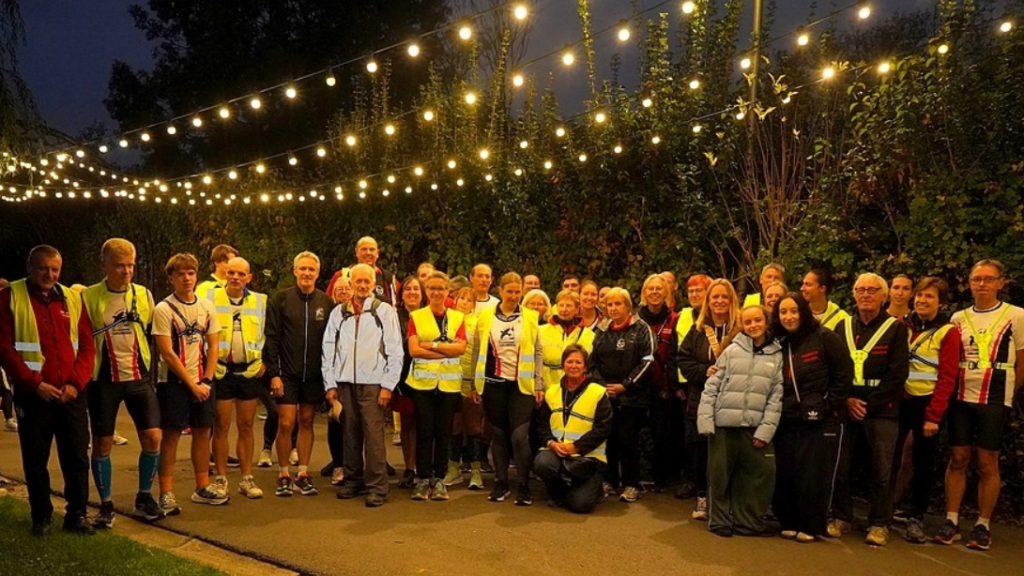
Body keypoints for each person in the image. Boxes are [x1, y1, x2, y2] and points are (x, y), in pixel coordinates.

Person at [0, 245, 96, 536]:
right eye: (43, 268)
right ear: (30, 266)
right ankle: (41, 516)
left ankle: (77, 515)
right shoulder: (9, 297)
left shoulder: (72, 299)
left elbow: (87, 346)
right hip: (35, 394)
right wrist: (33, 383)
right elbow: (4, 347)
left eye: (55, 269)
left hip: (70, 394)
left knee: (77, 458)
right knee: (35, 459)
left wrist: (76, 384)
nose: (50, 274)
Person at [938, 259, 1024, 550]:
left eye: (989, 279)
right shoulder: (958, 318)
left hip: (995, 397)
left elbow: (1022, 361)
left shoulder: (1017, 315)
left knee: (988, 461)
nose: (982, 284)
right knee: (958, 457)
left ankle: (982, 524)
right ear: (970, 283)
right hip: (961, 395)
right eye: (977, 279)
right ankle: (951, 520)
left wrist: (1008, 391)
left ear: (1001, 283)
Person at [81, 239, 164, 527]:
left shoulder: (143, 294)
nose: (126, 270)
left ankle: (144, 496)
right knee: (103, 443)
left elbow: (154, 331)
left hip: (138, 377)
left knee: (153, 437)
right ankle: (105, 505)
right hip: (103, 380)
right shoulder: (89, 297)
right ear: (104, 265)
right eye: (119, 265)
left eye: (131, 264)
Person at [829, 273, 909, 546]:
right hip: (846, 407)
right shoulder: (842, 327)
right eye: (860, 289)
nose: (866, 294)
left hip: (882, 409)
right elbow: (834, 370)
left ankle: (879, 523)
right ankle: (840, 517)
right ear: (853, 294)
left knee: (881, 470)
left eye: (872, 290)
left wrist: (869, 404)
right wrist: (848, 399)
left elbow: (898, 373)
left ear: (883, 296)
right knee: (840, 465)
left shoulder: (896, 328)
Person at [771, 293, 853, 543]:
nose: (788, 316)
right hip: (786, 418)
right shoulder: (778, 342)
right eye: (783, 312)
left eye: (793, 311)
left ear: (803, 312)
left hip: (819, 420)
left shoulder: (825, 337)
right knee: (786, 471)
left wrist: (829, 405)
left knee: (812, 474)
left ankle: (811, 524)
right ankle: (788, 520)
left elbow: (844, 373)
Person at [698, 305, 783, 537]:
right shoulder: (731, 351)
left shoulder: (777, 354)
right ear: (742, 326)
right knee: (719, 475)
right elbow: (712, 386)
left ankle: (749, 521)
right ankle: (720, 521)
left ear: (766, 322)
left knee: (762, 473)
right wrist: (706, 421)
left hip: (754, 427)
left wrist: (765, 431)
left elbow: (776, 396)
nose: (753, 325)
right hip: (722, 425)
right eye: (748, 322)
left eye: (758, 320)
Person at [324, 264, 404, 507]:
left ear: (372, 283)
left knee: (373, 435)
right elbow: (328, 348)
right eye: (357, 281)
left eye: (365, 281)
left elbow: (395, 350)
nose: (361, 285)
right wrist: (330, 383)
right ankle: (353, 480)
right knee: (350, 434)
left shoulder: (384, 311)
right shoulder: (339, 312)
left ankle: (378, 487)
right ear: (350, 284)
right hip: (345, 382)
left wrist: (388, 385)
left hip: (373, 383)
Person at [152, 252, 226, 513]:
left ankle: (202, 486)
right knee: (171, 435)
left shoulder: (206, 306)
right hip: (174, 382)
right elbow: (167, 353)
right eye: (180, 274)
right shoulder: (164, 309)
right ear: (171, 278)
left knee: (203, 432)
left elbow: (214, 344)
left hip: (203, 380)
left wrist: (206, 379)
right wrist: (191, 384)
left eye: (191, 273)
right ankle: (166, 492)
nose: (187, 278)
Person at [893, 277, 958, 543]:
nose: (922, 300)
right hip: (899, 402)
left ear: (941, 302)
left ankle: (916, 517)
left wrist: (934, 416)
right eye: (919, 296)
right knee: (891, 459)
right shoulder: (902, 326)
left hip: (927, 405)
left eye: (929, 297)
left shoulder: (948, 331)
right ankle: (884, 512)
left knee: (924, 464)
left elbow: (947, 377)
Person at [264, 251, 334, 497]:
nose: (306, 273)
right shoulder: (280, 299)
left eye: (311, 270)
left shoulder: (326, 303)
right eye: (302, 269)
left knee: (306, 421)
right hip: (287, 374)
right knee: (286, 422)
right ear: (295, 271)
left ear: (317, 273)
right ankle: (283, 473)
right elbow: (271, 338)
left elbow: (331, 342)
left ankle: (302, 473)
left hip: (314, 375)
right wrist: (274, 373)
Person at [472, 272, 544, 505]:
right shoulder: (484, 317)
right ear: (500, 291)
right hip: (493, 384)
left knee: (520, 436)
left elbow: (537, 352)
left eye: (517, 292)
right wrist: (475, 383)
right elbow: (477, 351)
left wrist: (539, 382)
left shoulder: (531, 317)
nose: (513, 296)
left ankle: (523, 485)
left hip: (521, 386)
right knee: (500, 435)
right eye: (509, 291)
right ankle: (501, 483)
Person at [678, 278, 742, 519]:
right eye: (715, 297)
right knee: (699, 451)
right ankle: (703, 497)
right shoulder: (697, 330)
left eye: (724, 296)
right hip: (700, 400)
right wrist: (704, 370)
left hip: (733, 399)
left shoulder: (741, 330)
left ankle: (726, 500)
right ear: (708, 301)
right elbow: (683, 361)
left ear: (732, 300)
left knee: (728, 451)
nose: (719, 301)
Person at [589, 287, 654, 504]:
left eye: (618, 304)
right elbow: (592, 362)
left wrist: (625, 386)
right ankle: (609, 481)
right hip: (605, 395)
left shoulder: (641, 329)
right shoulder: (601, 329)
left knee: (628, 440)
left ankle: (631, 484)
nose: (614, 308)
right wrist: (602, 386)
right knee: (608, 439)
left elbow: (647, 362)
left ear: (628, 306)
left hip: (631, 396)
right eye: (609, 304)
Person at [407, 271, 467, 501]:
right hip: (422, 383)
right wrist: (445, 349)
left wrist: (431, 345)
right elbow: (414, 350)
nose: (436, 292)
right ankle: (423, 478)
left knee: (443, 432)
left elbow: (461, 349)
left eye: (440, 288)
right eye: (431, 288)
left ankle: (439, 478)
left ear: (447, 291)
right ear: (426, 291)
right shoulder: (417, 316)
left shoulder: (457, 318)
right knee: (424, 431)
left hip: (449, 384)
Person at [211, 257, 266, 500]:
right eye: (231, 273)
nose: (235, 277)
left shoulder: (261, 301)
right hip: (221, 371)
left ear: (249, 277)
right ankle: (221, 479)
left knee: (246, 426)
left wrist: (266, 362)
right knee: (221, 426)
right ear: (224, 274)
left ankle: (246, 478)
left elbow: (269, 334)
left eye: (241, 274)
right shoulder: (210, 300)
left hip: (249, 371)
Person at [534, 345, 612, 514]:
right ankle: (561, 491)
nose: (574, 366)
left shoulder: (598, 392)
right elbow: (541, 424)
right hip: (556, 451)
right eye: (569, 362)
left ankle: (594, 489)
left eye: (578, 362)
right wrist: (551, 443)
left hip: (587, 457)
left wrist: (576, 446)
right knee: (542, 463)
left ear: (585, 366)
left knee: (580, 506)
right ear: (563, 365)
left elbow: (603, 428)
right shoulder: (552, 392)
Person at [637, 274, 682, 492]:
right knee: (634, 431)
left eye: (659, 289)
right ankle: (635, 475)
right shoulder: (635, 319)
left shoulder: (676, 319)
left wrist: (672, 385)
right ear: (644, 293)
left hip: (663, 385)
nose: (654, 292)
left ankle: (662, 477)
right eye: (650, 289)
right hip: (637, 384)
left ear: (667, 293)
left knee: (662, 432)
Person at [673, 273, 711, 500]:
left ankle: (706, 486)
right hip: (687, 385)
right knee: (690, 438)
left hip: (711, 384)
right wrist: (677, 382)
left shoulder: (717, 317)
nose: (695, 295)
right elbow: (677, 352)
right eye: (691, 291)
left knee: (707, 438)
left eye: (700, 290)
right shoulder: (684, 316)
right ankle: (690, 480)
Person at [445, 287, 486, 490]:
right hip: (449, 380)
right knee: (454, 426)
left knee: (473, 427)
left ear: (474, 304)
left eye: (469, 300)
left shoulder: (477, 323)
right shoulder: (448, 320)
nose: (464, 302)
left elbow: (480, 354)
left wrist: (475, 384)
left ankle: (476, 471)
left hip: (470, 382)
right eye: (461, 298)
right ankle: (454, 468)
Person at [393, 276, 424, 488]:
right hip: (402, 379)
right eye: (408, 289)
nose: (412, 292)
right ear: (401, 295)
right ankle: (409, 468)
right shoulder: (393, 318)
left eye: (416, 289)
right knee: (407, 424)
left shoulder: (430, 316)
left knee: (426, 425)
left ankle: (425, 468)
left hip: (428, 378)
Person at [540, 290, 596, 391]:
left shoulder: (589, 335)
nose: (564, 309)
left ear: (577, 309)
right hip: (546, 386)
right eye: (561, 305)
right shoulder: (541, 331)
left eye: (569, 306)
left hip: (576, 387)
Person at [355, 236, 399, 305]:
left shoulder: (389, 278)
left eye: (372, 249)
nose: (368, 253)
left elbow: (397, 306)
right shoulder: (343, 275)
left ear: (377, 253)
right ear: (357, 252)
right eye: (364, 249)